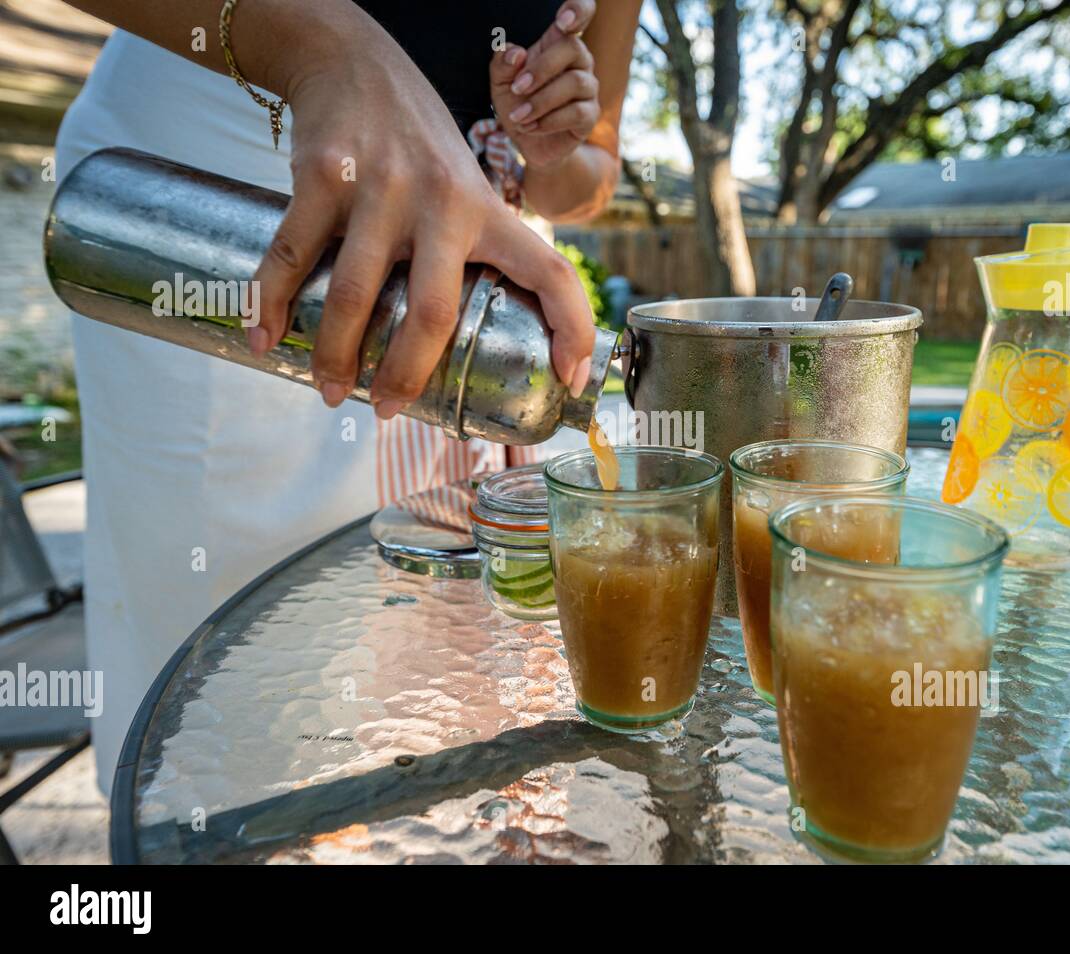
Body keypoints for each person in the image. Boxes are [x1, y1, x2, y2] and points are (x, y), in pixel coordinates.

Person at [55, 0, 639, 795]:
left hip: (462, 241)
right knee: (263, 694)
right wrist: (328, 48)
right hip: (234, 177)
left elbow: (592, 173)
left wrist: (550, 146)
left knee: (450, 667)